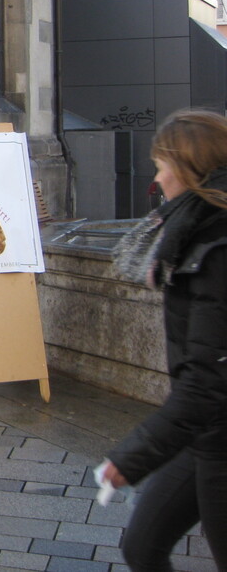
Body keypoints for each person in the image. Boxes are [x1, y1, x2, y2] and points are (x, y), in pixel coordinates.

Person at [102, 108, 227, 571]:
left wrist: (134, 455)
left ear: (188, 168)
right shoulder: (193, 231)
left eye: (162, 165)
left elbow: (206, 381)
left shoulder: (216, 247)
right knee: (143, 544)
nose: (156, 179)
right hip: (205, 433)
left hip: (219, 436)